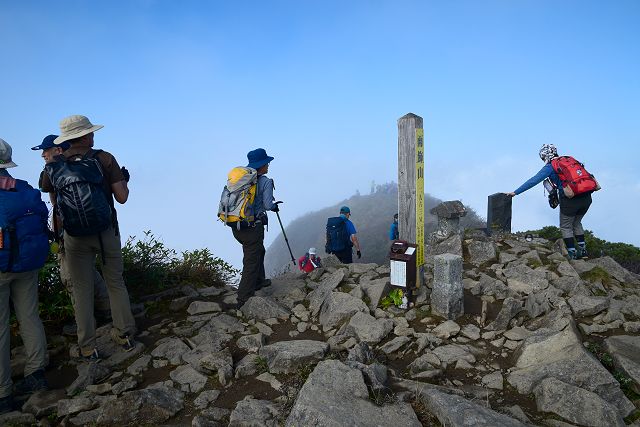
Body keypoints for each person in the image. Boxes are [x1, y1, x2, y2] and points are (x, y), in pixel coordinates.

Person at [40, 115, 136, 360]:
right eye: (90, 132)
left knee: (82, 289)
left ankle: (86, 346)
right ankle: (125, 335)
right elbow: (122, 198)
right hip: (106, 231)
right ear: (85, 135)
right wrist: (123, 179)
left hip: (74, 237)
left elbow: (52, 198)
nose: (93, 136)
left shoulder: (54, 164)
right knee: (115, 281)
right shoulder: (104, 158)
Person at [32, 134, 111, 336]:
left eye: (46, 150)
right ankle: (107, 310)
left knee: (71, 278)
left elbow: (44, 188)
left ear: (58, 150)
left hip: (70, 233)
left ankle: (84, 324)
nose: (43, 154)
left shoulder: (55, 171)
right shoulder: (82, 166)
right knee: (89, 272)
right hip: (97, 229)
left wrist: (50, 166)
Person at [0, 139, 49, 414]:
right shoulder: (23, 188)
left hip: (2, 267)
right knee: (29, 316)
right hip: (28, 264)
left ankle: (3, 392)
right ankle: (36, 373)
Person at [506, 144, 594, 260]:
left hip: (570, 199)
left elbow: (534, 180)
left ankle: (572, 254)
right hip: (586, 196)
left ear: (545, 156)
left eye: (542, 158)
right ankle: (583, 251)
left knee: (566, 226)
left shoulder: (550, 166)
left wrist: (515, 192)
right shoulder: (570, 160)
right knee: (577, 223)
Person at [231, 148, 277, 307]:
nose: (269, 165)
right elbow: (267, 205)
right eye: (267, 163)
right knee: (251, 260)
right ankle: (243, 298)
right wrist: (274, 207)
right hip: (252, 226)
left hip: (237, 226)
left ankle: (259, 281)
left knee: (259, 251)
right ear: (262, 165)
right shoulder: (265, 181)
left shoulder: (241, 179)